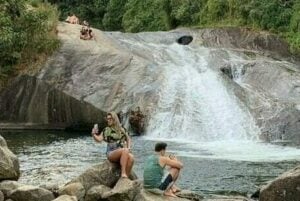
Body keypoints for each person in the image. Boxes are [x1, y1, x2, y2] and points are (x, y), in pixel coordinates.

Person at [92, 112, 134, 178]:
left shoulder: (122, 129)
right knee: (125, 150)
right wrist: (94, 134)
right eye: (107, 119)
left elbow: (128, 138)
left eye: (110, 119)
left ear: (115, 119)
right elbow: (99, 139)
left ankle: (125, 179)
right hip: (111, 152)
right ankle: (123, 173)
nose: (108, 120)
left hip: (122, 152)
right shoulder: (106, 130)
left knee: (131, 157)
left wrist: (129, 147)